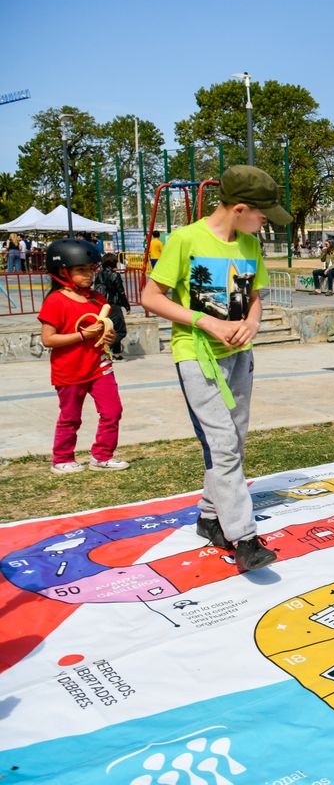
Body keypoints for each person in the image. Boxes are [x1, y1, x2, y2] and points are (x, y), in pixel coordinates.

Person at [140, 165, 288, 571]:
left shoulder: (249, 246)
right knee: (222, 446)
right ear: (240, 208)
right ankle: (244, 538)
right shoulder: (185, 239)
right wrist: (205, 321)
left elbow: (254, 298)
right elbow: (151, 296)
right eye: (262, 216)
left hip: (240, 356)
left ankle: (209, 517)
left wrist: (252, 323)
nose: (265, 224)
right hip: (196, 354)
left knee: (234, 443)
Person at [37, 238, 127, 474]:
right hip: (69, 369)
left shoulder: (98, 299)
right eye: (81, 270)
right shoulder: (55, 301)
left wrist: (108, 336)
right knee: (70, 417)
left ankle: (102, 455)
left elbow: (107, 329)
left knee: (112, 411)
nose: (88, 275)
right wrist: (82, 336)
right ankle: (62, 458)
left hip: (99, 366)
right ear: (62, 271)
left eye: (90, 269)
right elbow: (48, 339)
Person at [92, 253, 131, 360]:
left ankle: (117, 354)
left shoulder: (98, 274)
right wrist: (127, 306)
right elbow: (121, 292)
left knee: (111, 329)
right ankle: (104, 347)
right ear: (114, 262)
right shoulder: (115, 275)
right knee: (121, 331)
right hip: (113, 305)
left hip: (102, 306)